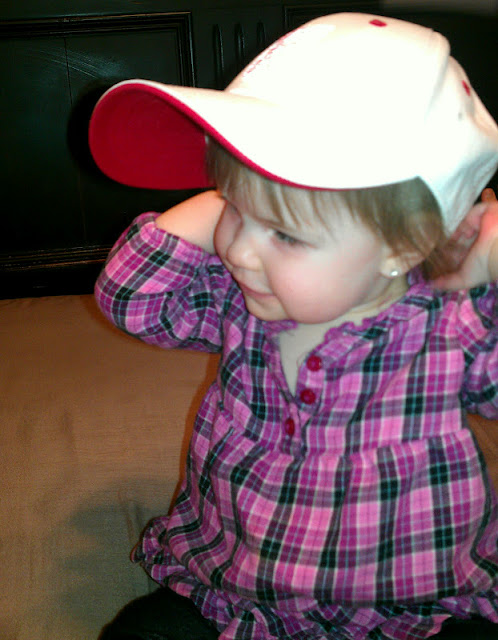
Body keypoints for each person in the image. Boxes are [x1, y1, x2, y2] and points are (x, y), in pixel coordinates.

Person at [90, 12, 498, 640]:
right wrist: (230, 196)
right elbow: (132, 298)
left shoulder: (454, 327)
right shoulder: (239, 299)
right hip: (234, 584)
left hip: (409, 605)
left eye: (284, 233)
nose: (238, 249)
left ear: (404, 246)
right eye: (231, 210)